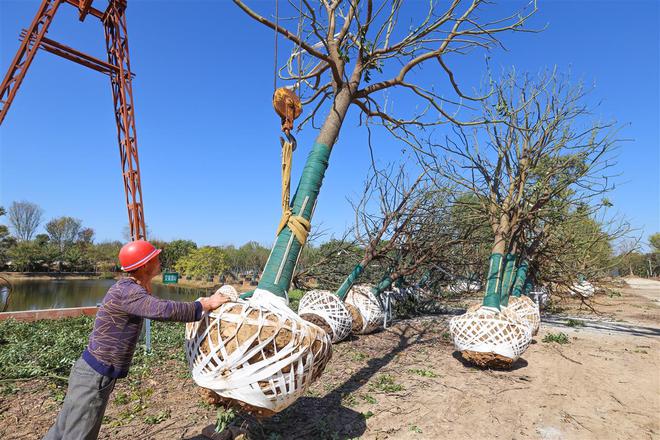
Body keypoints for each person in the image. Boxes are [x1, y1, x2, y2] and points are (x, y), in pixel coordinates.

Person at [44, 240, 229, 440]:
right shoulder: (129, 293)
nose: (159, 261)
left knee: (63, 429)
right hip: (94, 375)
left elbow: (152, 303)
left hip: (89, 370)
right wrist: (205, 304)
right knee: (78, 434)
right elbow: (163, 310)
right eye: (155, 258)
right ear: (144, 266)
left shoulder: (128, 287)